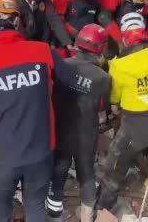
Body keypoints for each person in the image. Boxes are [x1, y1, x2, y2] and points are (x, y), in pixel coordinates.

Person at [0, 0, 83, 222]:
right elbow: (71, 81)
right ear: (16, 21)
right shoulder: (42, 50)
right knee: (36, 206)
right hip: (41, 150)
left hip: (3, 156)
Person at [97, 12, 148, 215]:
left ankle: (105, 203)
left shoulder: (119, 66)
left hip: (136, 126)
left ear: (124, 37)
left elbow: (114, 98)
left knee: (116, 160)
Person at [46, 24, 111, 222]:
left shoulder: (61, 66)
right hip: (86, 134)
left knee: (59, 171)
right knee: (86, 173)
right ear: (100, 48)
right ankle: (86, 215)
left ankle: (54, 214)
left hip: (61, 130)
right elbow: (103, 110)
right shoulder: (103, 77)